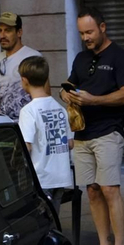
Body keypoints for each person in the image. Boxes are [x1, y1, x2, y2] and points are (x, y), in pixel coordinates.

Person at [64, 8, 124, 245]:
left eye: (90, 32)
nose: (86, 38)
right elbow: (68, 85)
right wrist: (65, 94)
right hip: (82, 134)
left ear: (103, 27)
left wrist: (95, 100)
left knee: (109, 189)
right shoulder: (81, 58)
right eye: (82, 33)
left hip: (109, 132)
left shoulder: (121, 57)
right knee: (92, 191)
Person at [16, 56, 73, 200]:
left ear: (24, 80)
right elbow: (70, 143)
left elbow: (27, 147)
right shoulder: (60, 109)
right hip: (61, 176)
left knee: (40, 219)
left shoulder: (28, 111)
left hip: (41, 177)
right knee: (54, 216)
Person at [0, 12, 41, 119]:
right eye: (0, 30)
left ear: (19, 32)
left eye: (8, 30)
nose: (2, 35)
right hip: (3, 126)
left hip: (25, 126)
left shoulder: (33, 57)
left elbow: (43, 96)